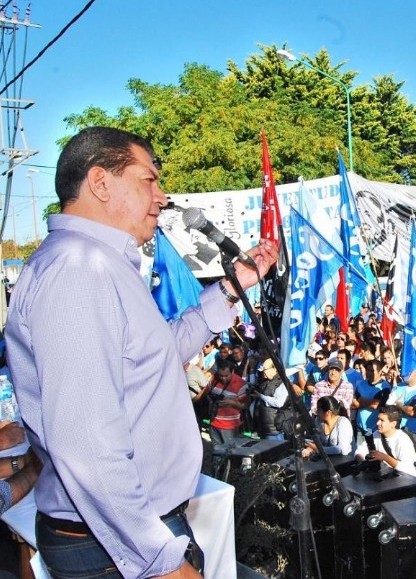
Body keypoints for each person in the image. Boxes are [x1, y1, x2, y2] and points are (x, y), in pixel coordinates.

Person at [5, 127, 278, 578]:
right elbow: (86, 446)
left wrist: (231, 288)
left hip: (126, 535)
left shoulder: (101, 264)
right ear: (100, 182)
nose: (162, 196)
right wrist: (160, 561)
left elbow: (159, 352)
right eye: (148, 180)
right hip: (113, 547)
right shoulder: (79, 268)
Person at [353, 406, 416, 479]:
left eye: (382, 420)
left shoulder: (403, 440)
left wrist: (384, 457)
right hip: (389, 479)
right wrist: (364, 461)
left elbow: (409, 471)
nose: (377, 423)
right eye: (378, 419)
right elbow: (360, 450)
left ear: (393, 424)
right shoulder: (376, 434)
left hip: (409, 482)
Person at [251, 357, 289, 440]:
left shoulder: (282, 383)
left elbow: (279, 403)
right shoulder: (265, 381)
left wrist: (261, 396)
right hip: (263, 427)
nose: (263, 372)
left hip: (274, 429)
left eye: (265, 369)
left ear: (275, 368)